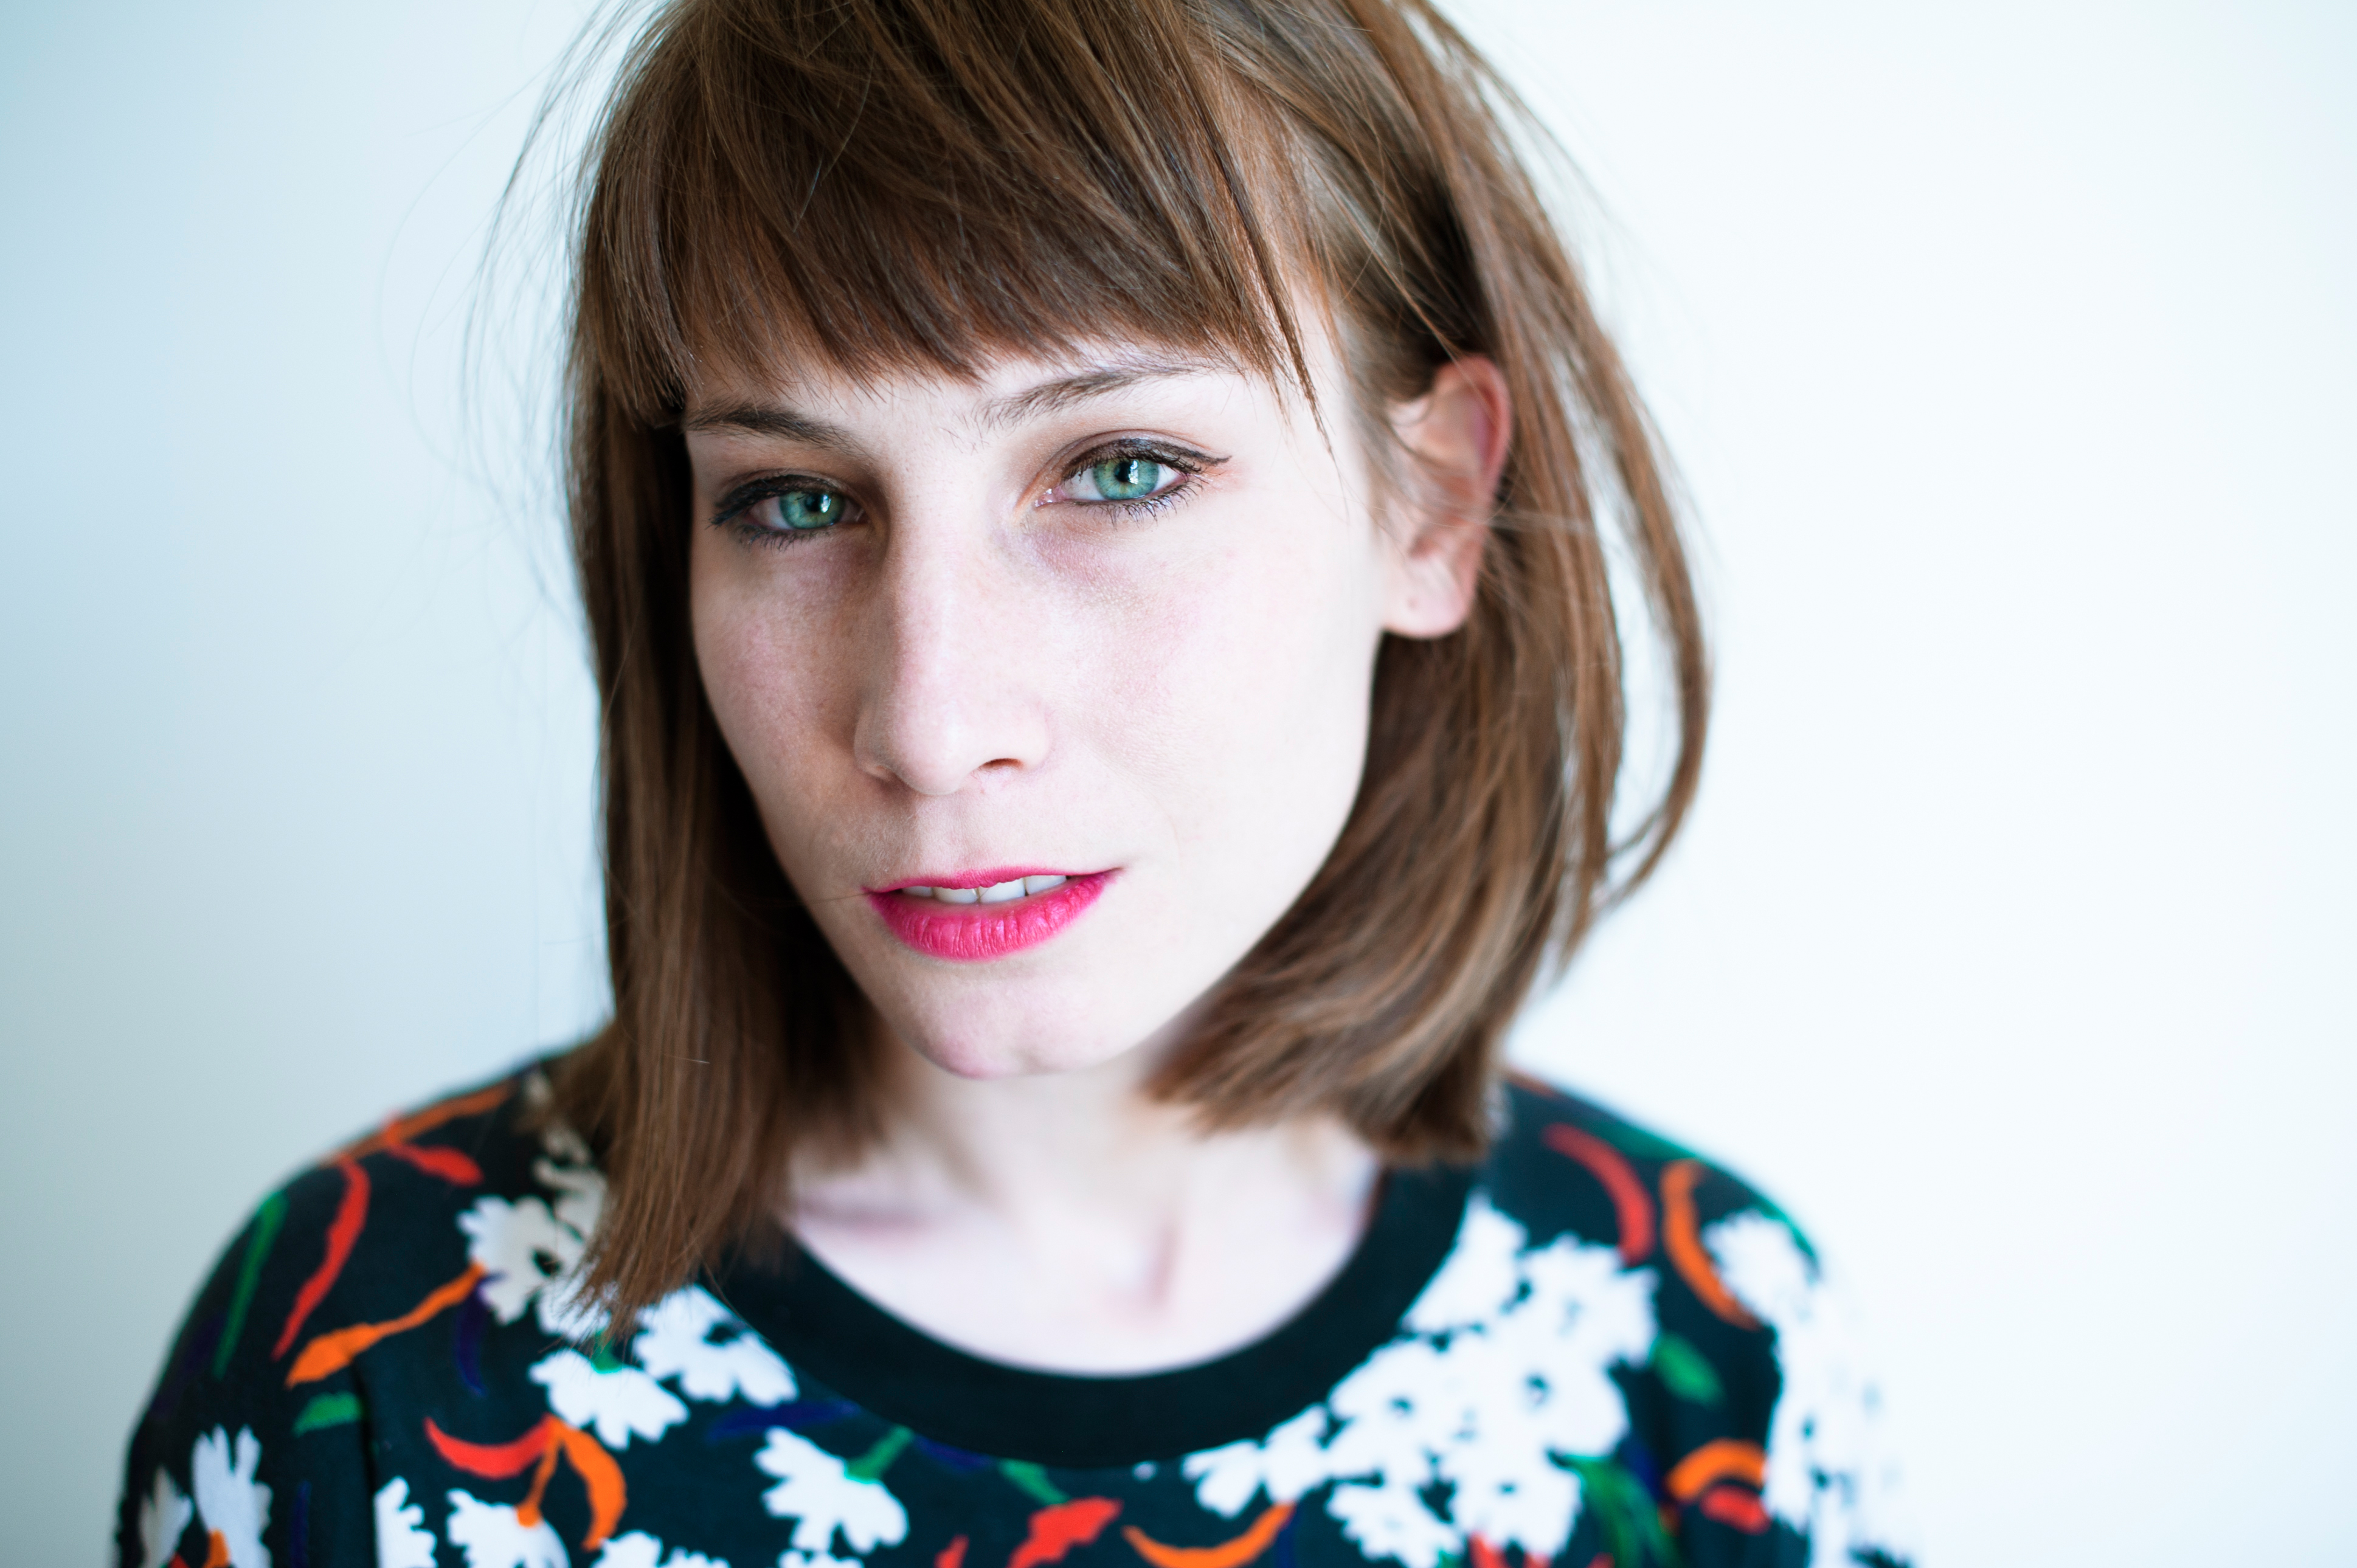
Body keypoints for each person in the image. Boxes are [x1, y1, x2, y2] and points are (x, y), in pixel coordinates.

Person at [117, 1, 1908, 1564]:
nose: (928, 718)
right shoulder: (365, 1373)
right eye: (794, 501)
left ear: (1429, 503)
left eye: (1119, 469)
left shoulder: (1700, 1357)